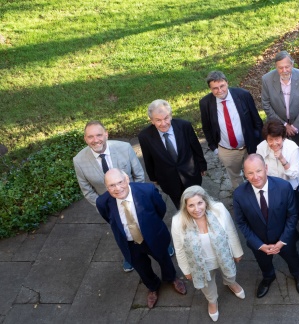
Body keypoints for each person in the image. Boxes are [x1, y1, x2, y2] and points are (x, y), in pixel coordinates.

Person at [96, 169, 187, 309]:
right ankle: (153, 286)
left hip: (153, 237)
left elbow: (160, 210)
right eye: (112, 185)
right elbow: (110, 219)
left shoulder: (148, 191)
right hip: (129, 243)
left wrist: (151, 227)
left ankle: (171, 278)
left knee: (164, 258)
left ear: (127, 179)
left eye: (120, 182)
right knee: (141, 268)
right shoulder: (102, 202)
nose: (117, 188)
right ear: (107, 187)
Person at [73, 120, 144, 272]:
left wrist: (138, 198)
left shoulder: (124, 148)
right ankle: (129, 255)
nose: (95, 140)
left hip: (133, 198)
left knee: (146, 222)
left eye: (99, 135)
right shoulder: (79, 161)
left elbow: (138, 175)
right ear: (85, 139)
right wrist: (103, 206)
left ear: (106, 134)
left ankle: (160, 245)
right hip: (110, 206)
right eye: (90, 137)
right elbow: (87, 190)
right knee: (120, 230)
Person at [233, 154, 299, 298]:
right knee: (263, 263)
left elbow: (292, 215)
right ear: (245, 174)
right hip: (259, 242)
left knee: (293, 258)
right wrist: (259, 245)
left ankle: (297, 275)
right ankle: (268, 277)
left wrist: (282, 241)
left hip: (284, 239)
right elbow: (241, 222)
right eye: (250, 173)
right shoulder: (239, 194)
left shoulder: (284, 187)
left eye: (258, 171)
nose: (255, 176)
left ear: (266, 168)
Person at [171, 186, 245, 322]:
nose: (197, 209)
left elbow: (231, 231)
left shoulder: (219, 210)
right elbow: (179, 248)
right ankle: (212, 301)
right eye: (191, 205)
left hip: (222, 256)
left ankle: (231, 283)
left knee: (230, 273)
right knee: (207, 284)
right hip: (200, 262)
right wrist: (186, 270)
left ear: (206, 201)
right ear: (185, 207)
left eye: (200, 203)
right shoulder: (178, 221)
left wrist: (237, 251)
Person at [138, 99, 207, 210]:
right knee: (181, 207)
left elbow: (196, 147)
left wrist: (202, 165)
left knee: (198, 202)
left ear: (170, 115)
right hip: (168, 180)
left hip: (191, 175)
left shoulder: (184, 126)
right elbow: (148, 158)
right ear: (152, 120)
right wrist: (153, 177)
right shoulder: (145, 136)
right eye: (158, 120)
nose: (163, 123)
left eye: (166, 118)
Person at [199, 71, 263, 189]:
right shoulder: (205, 103)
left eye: (222, 86)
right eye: (215, 88)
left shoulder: (243, 95)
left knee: (256, 173)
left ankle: (258, 193)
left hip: (249, 145)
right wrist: (214, 148)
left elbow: (257, 120)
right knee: (235, 176)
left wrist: (259, 142)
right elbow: (206, 127)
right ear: (210, 89)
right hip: (226, 150)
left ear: (227, 83)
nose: (219, 91)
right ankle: (242, 197)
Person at [261, 51, 299, 178]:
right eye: (280, 67)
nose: (284, 70)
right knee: (279, 145)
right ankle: (282, 167)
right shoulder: (266, 79)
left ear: (292, 65)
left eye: (287, 67)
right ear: (275, 67)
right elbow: (266, 104)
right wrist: (284, 125)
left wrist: (295, 126)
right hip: (277, 123)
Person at [255, 119, 299, 193]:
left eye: (277, 139)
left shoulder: (293, 148)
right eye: (270, 140)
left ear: (282, 137)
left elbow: (294, 175)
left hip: (290, 188)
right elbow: (258, 170)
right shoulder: (260, 148)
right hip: (270, 189)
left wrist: (282, 159)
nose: (274, 143)